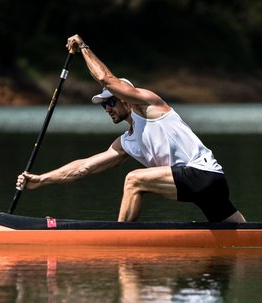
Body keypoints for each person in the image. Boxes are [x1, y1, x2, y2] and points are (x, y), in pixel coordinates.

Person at [16, 34, 246, 223]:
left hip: (203, 175)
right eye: (104, 104)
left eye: (110, 101)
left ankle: (120, 239)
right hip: (203, 186)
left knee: (133, 180)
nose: (107, 108)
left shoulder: (148, 104)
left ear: (125, 99)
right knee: (238, 230)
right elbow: (83, 167)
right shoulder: (127, 142)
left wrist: (83, 47)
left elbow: (106, 79)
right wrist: (41, 180)